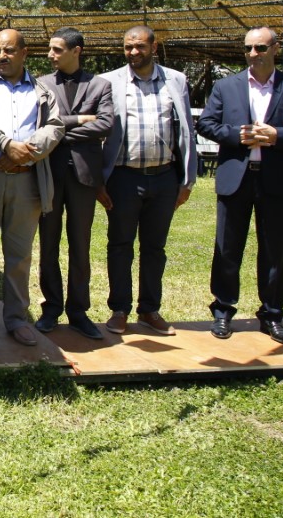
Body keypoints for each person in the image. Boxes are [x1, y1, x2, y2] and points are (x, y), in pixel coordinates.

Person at [197, 27, 283, 344]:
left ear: (275, 49)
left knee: (273, 250)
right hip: (235, 177)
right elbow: (206, 124)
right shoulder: (227, 86)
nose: (253, 54)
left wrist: (278, 136)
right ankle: (223, 311)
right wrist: (236, 134)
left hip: (275, 179)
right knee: (227, 248)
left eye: (260, 48)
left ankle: (272, 315)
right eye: (248, 48)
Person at [0, 29, 64, 347]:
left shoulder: (42, 89)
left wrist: (26, 151)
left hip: (26, 183)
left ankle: (17, 319)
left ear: (24, 52)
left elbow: (55, 126)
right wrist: (6, 144)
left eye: (8, 50)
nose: (1, 56)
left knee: (19, 256)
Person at [98, 25, 198, 336]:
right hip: (123, 178)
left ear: (154, 48)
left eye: (140, 46)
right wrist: (99, 181)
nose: (133, 52)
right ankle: (119, 310)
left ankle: (149, 310)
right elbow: (99, 133)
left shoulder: (175, 80)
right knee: (120, 245)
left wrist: (187, 180)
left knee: (155, 248)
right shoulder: (108, 82)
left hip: (165, 178)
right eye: (128, 47)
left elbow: (187, 130)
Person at [34, 27, 114, 340]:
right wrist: (81, 120)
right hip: (49, 174)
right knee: (48, 244)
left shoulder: (100, 85)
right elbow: (40, 123)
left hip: (84, 177)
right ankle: (51, 308)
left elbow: (105, 124)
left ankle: (79, 311)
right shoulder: (41, 84)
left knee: (80, 245)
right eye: (50, 49)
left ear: (76, 51)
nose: (50, 55)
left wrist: (59, 132)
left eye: (57, 49)